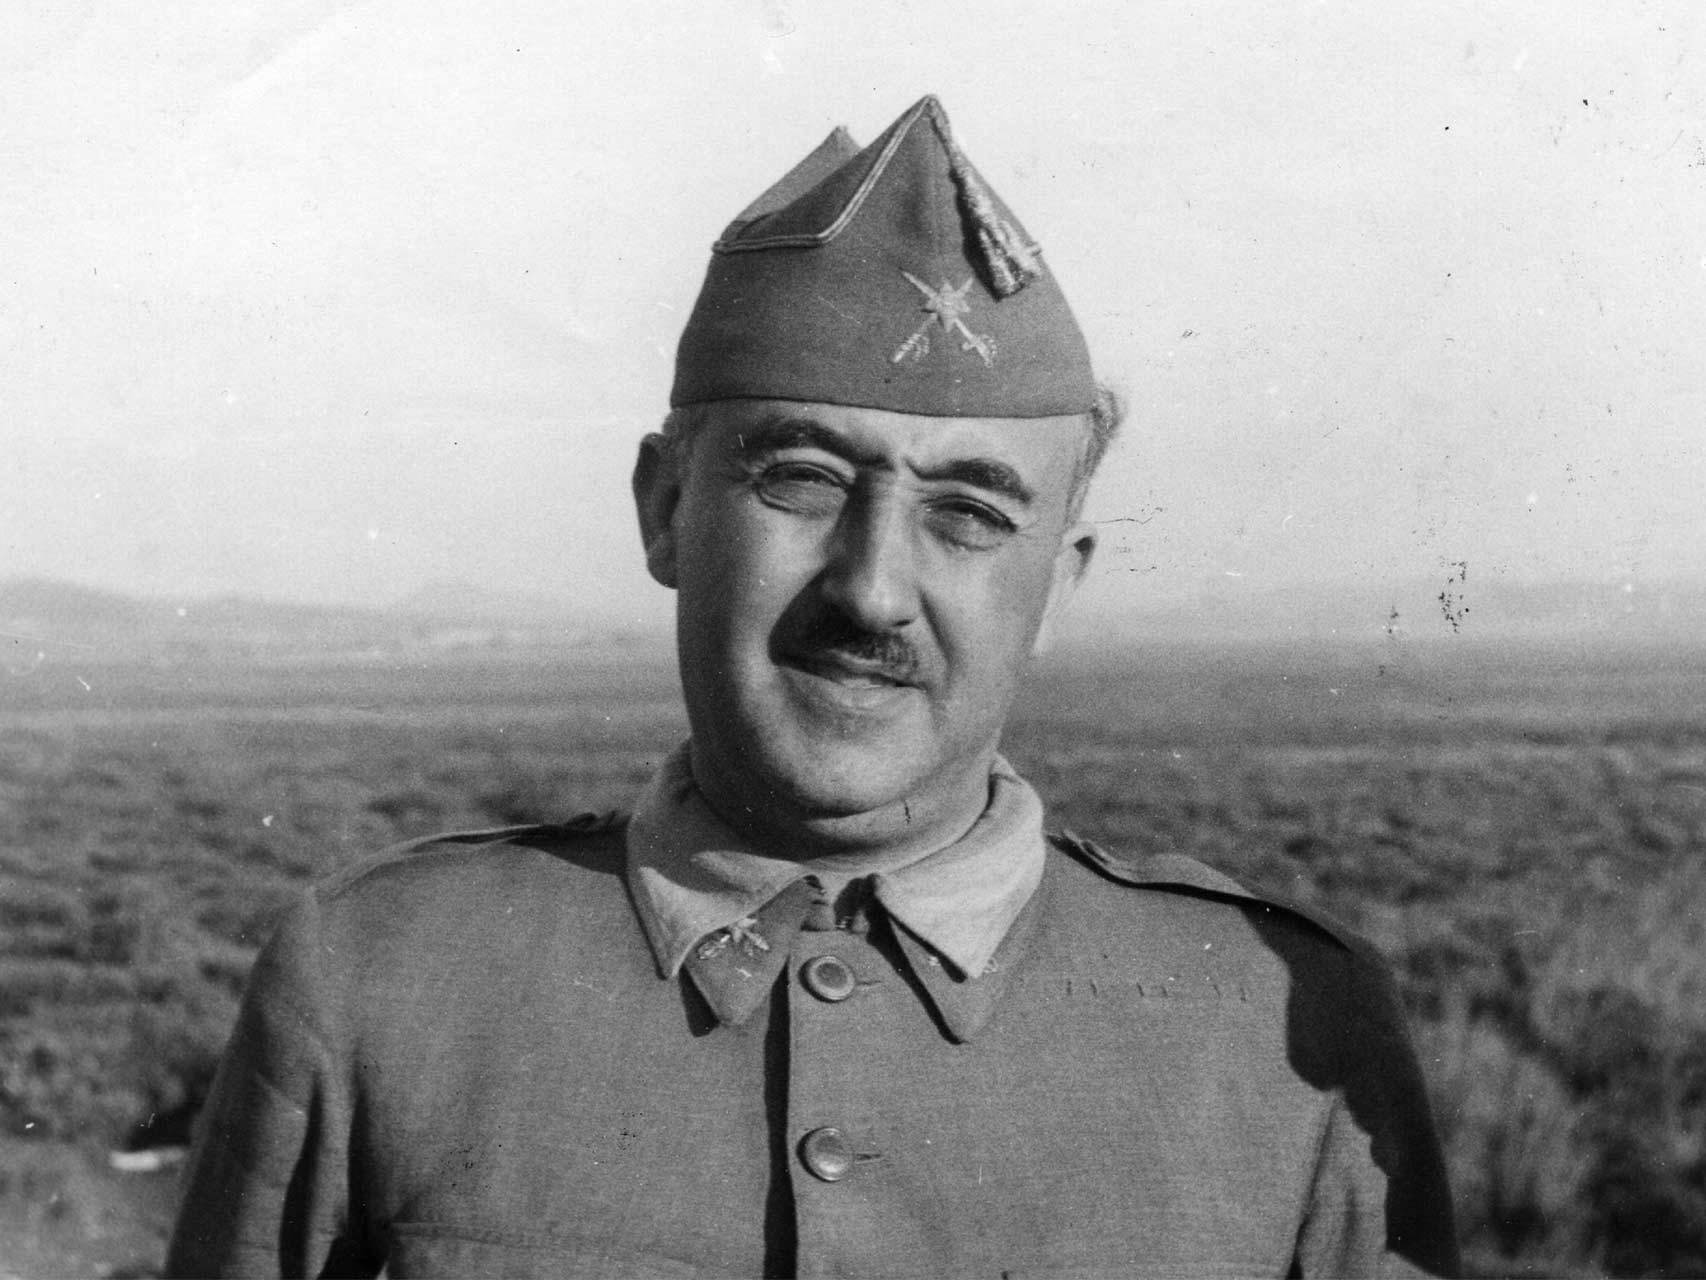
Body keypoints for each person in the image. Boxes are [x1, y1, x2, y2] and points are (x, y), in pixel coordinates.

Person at [167, 95, 1460, 1278]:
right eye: (801, 480)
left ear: (1058, 587)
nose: (872, 592)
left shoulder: (1280, 1034)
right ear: (666, 509)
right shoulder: (382, 981)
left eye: (969, 514)